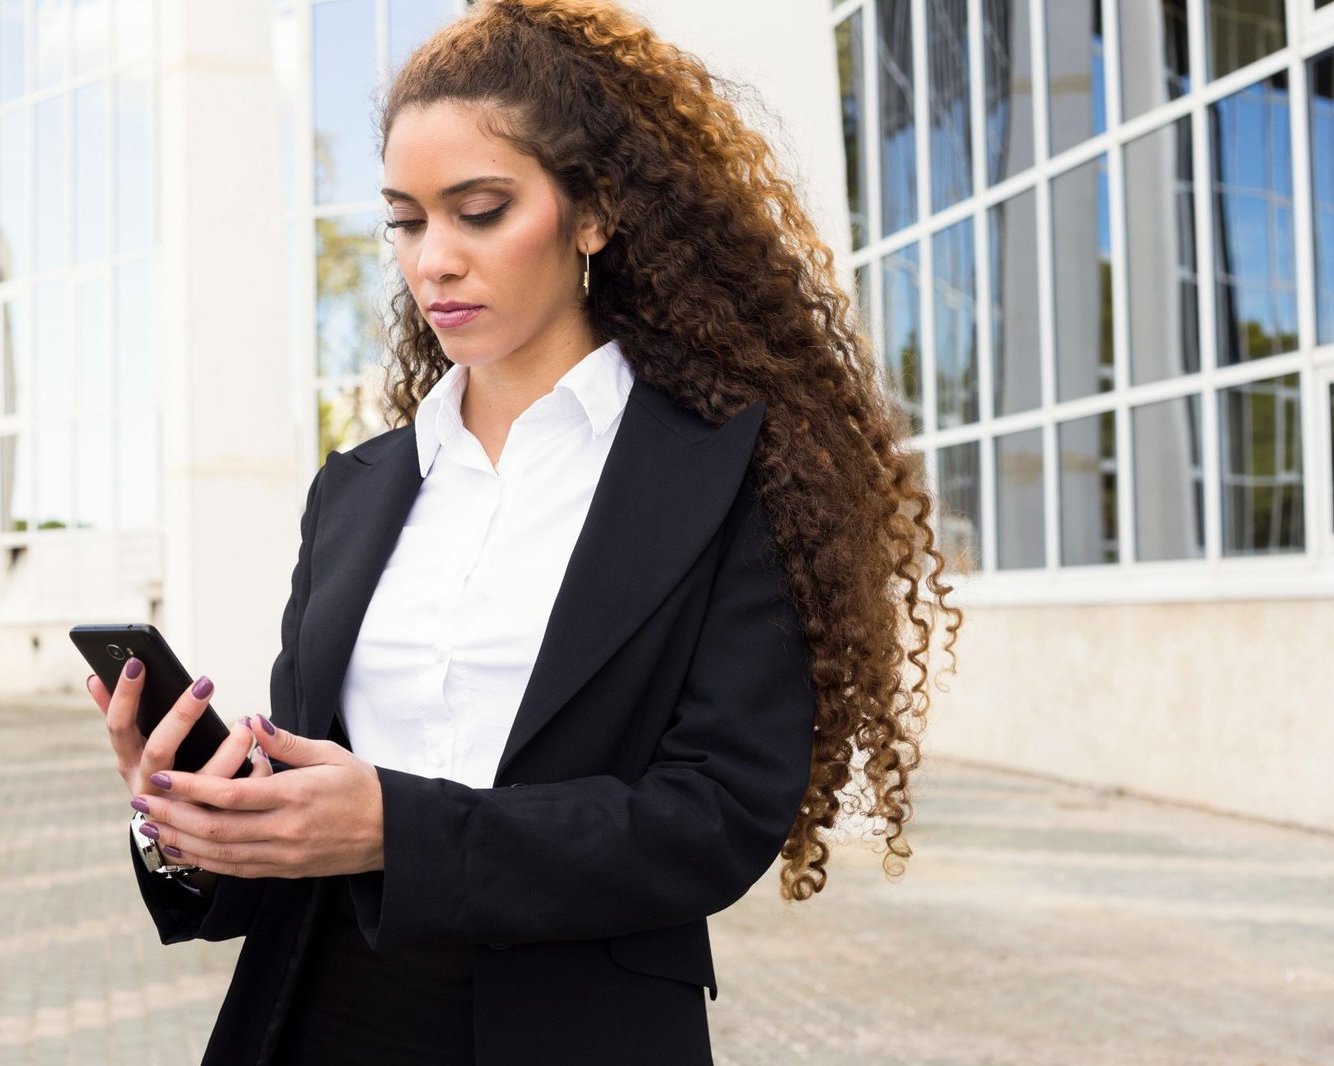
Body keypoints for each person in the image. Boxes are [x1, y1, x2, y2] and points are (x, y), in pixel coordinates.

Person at [84, 0, 960, 1062]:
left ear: (592, 212)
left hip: (579, 1029)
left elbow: (714, 818)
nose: (431, 261)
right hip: (318, 1017)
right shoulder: (355, 490)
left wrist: (394, 829)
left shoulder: (726, 473)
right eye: (406, 219)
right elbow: (296, 832)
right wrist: (187, 815)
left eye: (480, 210)